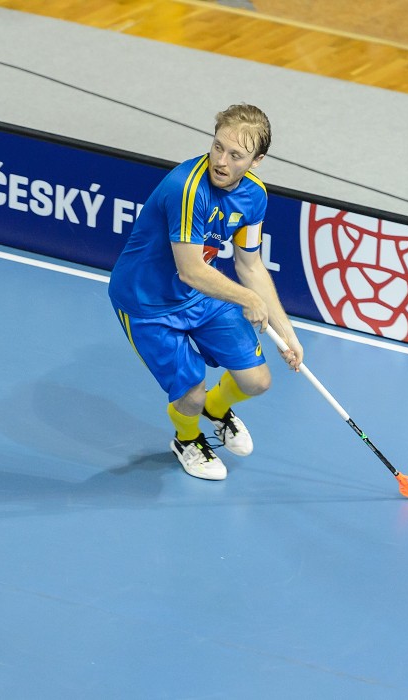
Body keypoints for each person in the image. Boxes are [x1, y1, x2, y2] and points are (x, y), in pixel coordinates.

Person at [108, 104, 304, 481]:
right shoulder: (187, 188)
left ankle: (218, 408)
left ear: (257, 160)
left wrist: (287, 332)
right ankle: (187, 439)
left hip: (199, 297)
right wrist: (248, 299)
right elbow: (192, 269)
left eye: (236, 155)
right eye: (218, 147)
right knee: (191, 394)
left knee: (256, 381)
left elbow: (250, 265)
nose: (222, 161)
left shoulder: (254, 196)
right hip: (147, 303)